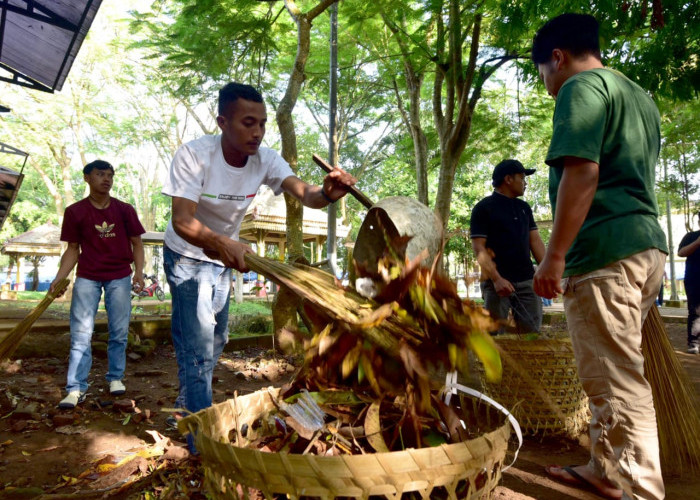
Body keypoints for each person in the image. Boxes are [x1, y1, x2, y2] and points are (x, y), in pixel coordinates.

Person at [161, 82, 356, 443]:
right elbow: (182, 220)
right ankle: (200, 443)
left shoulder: (265, 159)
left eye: (263, 123)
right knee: (198, 347)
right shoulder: (194, 155)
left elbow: (306, 193)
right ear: (222, 122)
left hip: (224, 259)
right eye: (248, 123)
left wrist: (328, 193)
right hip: (187, 256)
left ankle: (185, 406)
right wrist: (221, 242)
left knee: (217, 336)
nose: (258, 132)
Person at [531, 13, 668, 500]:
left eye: (543, 74)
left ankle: (639, 490)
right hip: (644, 248)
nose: (548, 87)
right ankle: (606, 469)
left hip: (605, 252)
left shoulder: (581, 88)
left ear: (557, 58)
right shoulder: (637, 95)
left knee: (616, 381)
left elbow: (583, 173)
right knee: (608, 372)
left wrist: (554, 256)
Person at [50, 160, 146, 409]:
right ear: (86, 178)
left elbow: (137, 243)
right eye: (100, 174)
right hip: (87, 277)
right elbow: (72, 249)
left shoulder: (124, 210)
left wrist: (139, 273)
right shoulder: (75, 212)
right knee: (81, 333)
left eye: (110, 175)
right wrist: (60, 278)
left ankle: (115, 378)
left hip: (119, 276)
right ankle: (75, 387)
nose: (106, 179)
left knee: (119, 331)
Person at [470, 159, 546, 334]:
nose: (525, 183)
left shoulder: (524, 208)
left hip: (528, 281)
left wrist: (547, 270)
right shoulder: (483, 208)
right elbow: (479, 248)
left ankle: (527, 362)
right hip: (496, 285)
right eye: (522, 177)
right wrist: (497, 279)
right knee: (495, 336)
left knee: (531, 334)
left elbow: (535, 241)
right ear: (508, 179)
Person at [678, 212, 700, 354]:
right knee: (696, 311)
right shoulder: (690, 237)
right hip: (694, 281)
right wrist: (698, 242)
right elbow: (681, 252)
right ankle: (694, 343)